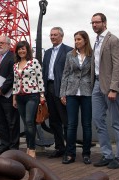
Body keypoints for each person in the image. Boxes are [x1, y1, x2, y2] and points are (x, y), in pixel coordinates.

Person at [90, 13, 119, 169]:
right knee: (98, 119)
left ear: (104, 23)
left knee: (117, 122)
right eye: (92, 23)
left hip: (110, 86)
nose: (94, 25)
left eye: (97, 22)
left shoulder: (113, 40)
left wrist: (114, 88)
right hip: (97, 84)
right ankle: (107, 154)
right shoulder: (97, 41)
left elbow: (118, 65)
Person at [59, 31, 93, 165]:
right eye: (75, 39)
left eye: (79, 39)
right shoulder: (70, 55)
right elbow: (65, 74)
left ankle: (86, 154)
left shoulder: (92, 56)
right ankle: (70, 153)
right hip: (71, 92)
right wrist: (63, 93)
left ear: (85, 40)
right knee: (71, 125)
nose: (76, 41)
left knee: (87, 125)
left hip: (87, 92)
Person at [42, 27, 73, 158]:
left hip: (62, 89)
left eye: (55, 35)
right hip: (49, 87)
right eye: (51, 35)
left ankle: (69, 150)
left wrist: (65, 92)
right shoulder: (47, 52)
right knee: (54, 121)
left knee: (65, 120)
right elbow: (44, 71)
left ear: (61, 36)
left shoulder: (69, 51)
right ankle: (59, 147)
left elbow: (71, 72)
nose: (52, 37)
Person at [12, 41, 45, 158]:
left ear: (27, 50)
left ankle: (32, 148)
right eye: (19, 49)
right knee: (26, 123)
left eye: (23, 49)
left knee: (30, 121)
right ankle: (28, 146)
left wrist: (42, 95)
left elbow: (40, 79)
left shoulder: (34, 62)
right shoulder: (15, 65)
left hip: (32, 95)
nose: (21, 51)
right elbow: (15, 82)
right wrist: (14, 97)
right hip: (20, 96)